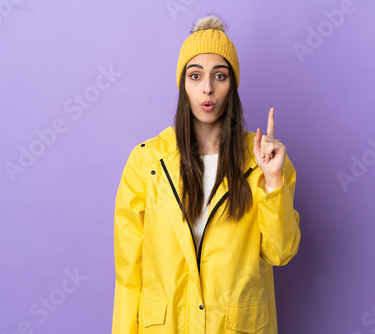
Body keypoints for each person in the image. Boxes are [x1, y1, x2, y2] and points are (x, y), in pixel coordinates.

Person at [112, 14, 300, 334]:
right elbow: (129, 273)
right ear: (183, 84)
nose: (207, 89)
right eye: (195, 75)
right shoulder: (147, 162)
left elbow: (280, 252)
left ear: (232, 85)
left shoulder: (261, 161)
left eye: (220, 76)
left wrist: (272, 181)